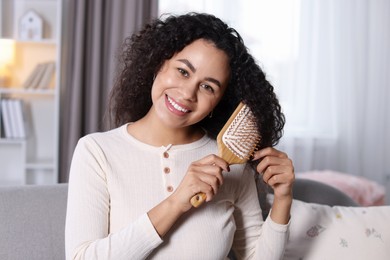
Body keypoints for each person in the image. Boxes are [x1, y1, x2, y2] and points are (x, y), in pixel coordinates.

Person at [65, 12, 295, 260]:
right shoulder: (97, 151)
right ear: (159, 63)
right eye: (183, 71)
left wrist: (283, 198)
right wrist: (176, 203)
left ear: (219, 102)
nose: (187, 93)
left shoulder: (235, 166)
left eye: (208, 87)